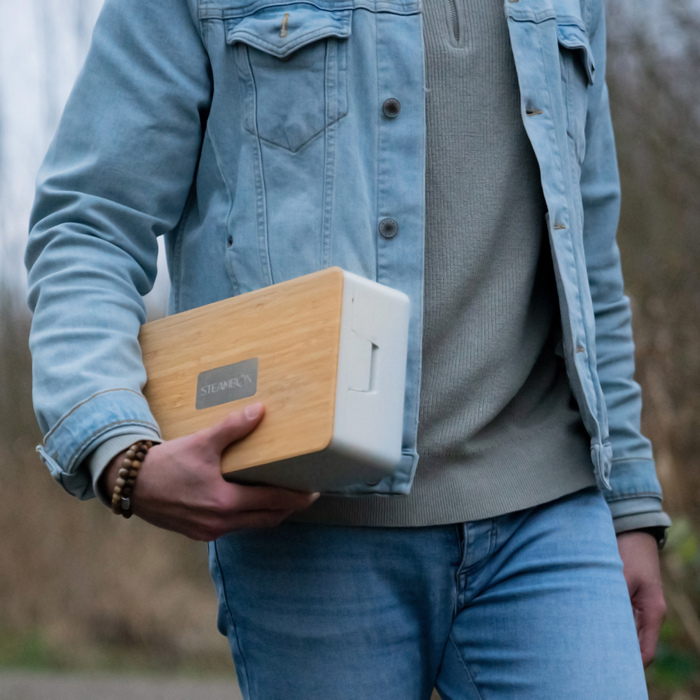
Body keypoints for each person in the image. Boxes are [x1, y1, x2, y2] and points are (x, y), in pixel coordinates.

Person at [25, 0, 671, 696]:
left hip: (549, 513)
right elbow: (89, 224)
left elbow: (590, 253)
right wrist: (121, 452)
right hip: (308, 526)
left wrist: (629, 501)